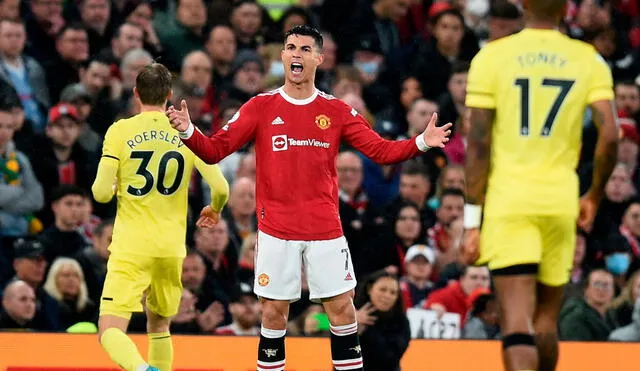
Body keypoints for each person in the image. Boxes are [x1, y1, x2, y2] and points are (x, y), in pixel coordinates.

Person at [167, 25, 452, 371]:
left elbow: (380, 150)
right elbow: (214, 150)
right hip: (275, 230)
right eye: (290, 47)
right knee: (273, 313)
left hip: (325, 230)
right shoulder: (261, 106)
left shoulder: (335, 110)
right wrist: (186, 129)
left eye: (305, 48)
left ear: (318, 58)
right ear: (283, 56)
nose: (296, 54)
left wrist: (421, 141)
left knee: (343, 309)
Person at [460, 0, 619, 370]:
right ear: (566, 10)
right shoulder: (589, 59)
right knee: (546, 320)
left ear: (524, 6)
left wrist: (472, 221)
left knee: (517, 323)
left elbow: (478, 142)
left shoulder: (492, 57)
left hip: (509, 199)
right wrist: (593, 195)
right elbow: (610, 135)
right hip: (561, 200)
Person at [91, 63, 230, 371]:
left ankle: (143, 370)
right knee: (160, 328)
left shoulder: (120, 131)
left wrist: (114, 186)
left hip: (131, 247)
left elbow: (100, 194)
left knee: (109, 330)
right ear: (169, 94)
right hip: (170, 249)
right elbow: (220, 187)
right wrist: (214, 209)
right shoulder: (185, 131)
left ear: (136, 93)